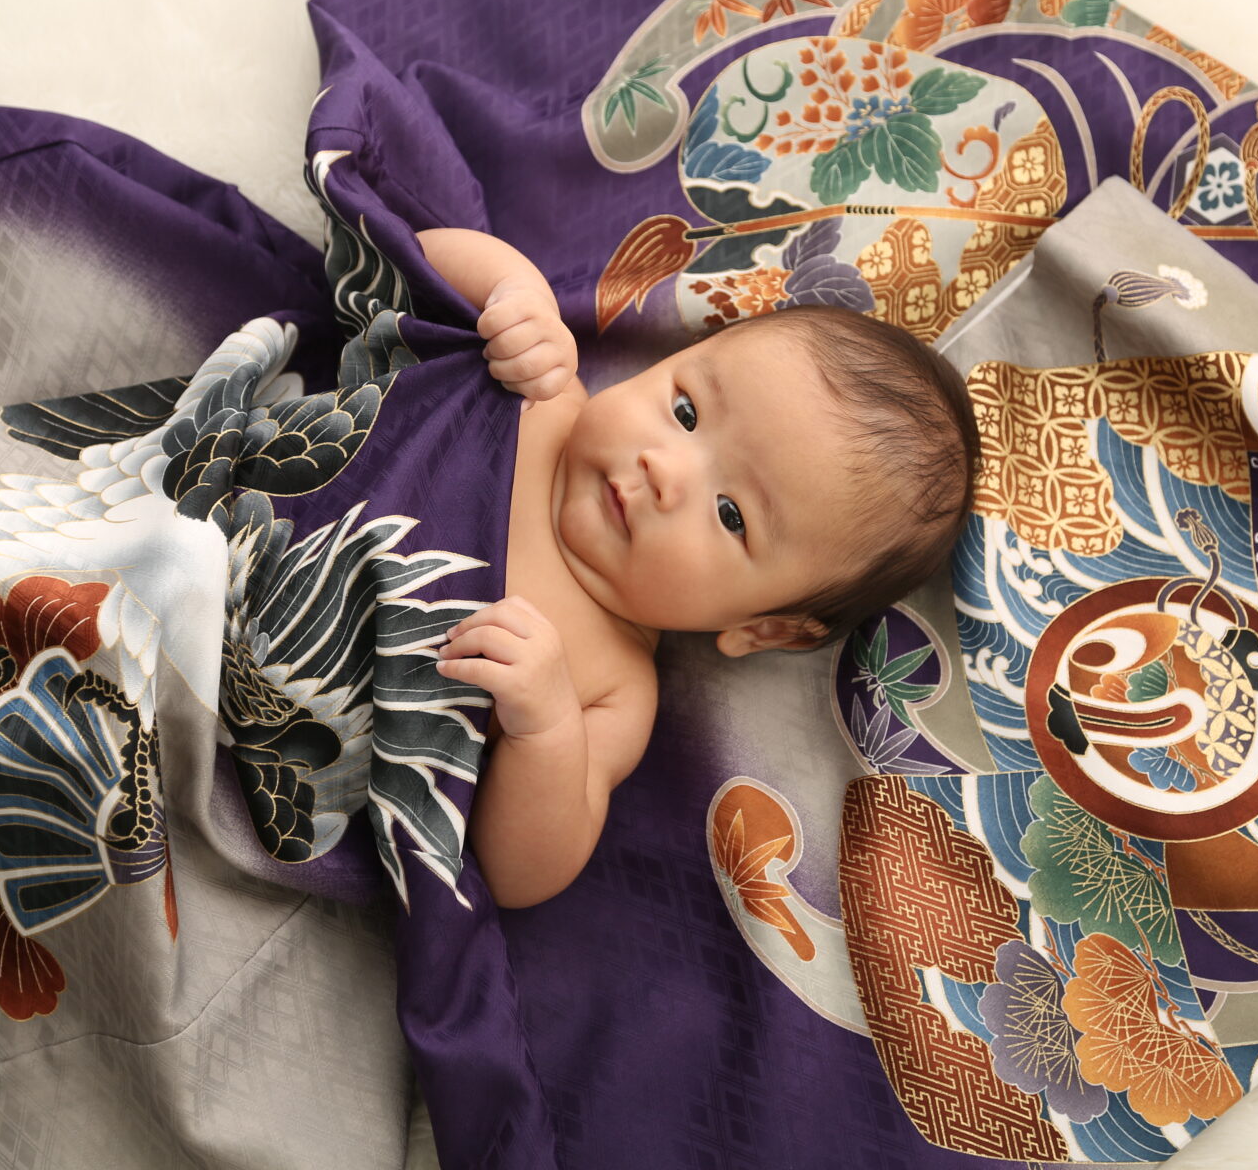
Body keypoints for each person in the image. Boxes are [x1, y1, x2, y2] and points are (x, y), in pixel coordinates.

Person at [417, 227, 978, 907]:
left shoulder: (610, 689)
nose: (665, 470)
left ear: (766, 627)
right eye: (685, 411)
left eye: (731, 514)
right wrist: (515, 292)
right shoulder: (544, 390)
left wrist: (545, 730)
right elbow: (410, 259)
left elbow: (519, 877)